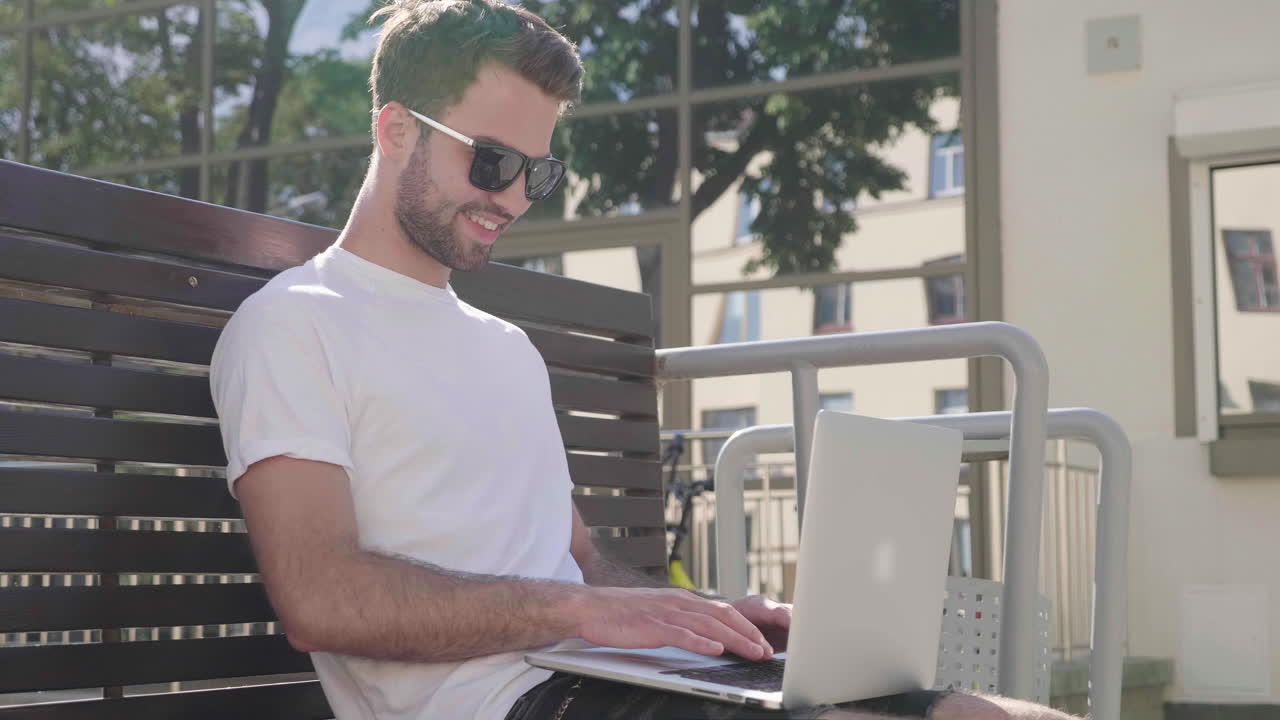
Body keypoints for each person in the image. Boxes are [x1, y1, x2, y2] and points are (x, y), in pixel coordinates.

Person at [210, 2, 1080, 719]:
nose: (512, 199)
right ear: (396, 131)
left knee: (975, 713)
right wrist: (577, 613)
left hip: (605, 679)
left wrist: (696, 617)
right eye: (493, 161)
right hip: (499, 702)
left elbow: (579, 560)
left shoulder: (504, 349)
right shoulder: (295, 326)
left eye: (536, 176)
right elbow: (319, 597)